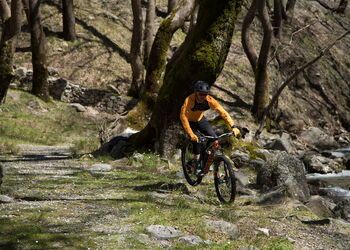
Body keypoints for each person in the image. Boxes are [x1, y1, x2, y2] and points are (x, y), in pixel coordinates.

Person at [180, 80, 240, 176]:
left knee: (214, 140)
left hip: (200, 120)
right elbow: (183, 117)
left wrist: (233, 126)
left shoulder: (209, 100)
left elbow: (223, 113)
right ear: (196, 93)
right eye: (200, 94)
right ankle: (196, 163)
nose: (202, 97)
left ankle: (205, 162)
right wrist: (191, 133)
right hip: (189, 122)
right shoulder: (189, 100)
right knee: (197, 140)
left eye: (205, 94)